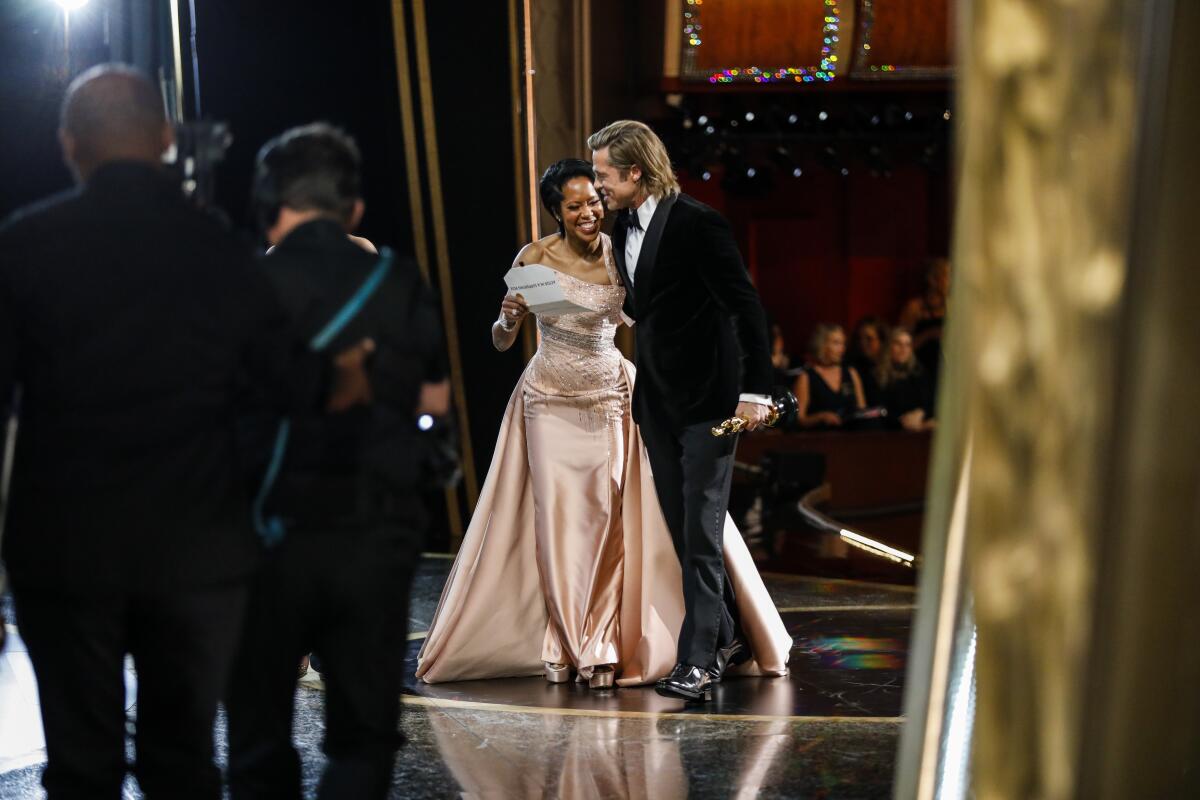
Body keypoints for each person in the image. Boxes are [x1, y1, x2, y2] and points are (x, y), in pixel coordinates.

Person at [0, 65, 369, 798]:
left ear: (69, 144)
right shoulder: (226, 255)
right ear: (167, 140)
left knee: (80, 765)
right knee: (185, 762)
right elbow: (300, 400)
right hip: (199, 555)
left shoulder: (23, 246)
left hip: (65, 551)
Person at [415, 160, 789, 694]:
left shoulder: (623, 254)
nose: (590, 212)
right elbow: (500, 341)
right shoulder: (534, 258)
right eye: (575, 206)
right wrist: (508, 319)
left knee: (611, 520)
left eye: (594, 200)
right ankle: (576, 645)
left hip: (612, 396)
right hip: (547, 401)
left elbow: (657, 319)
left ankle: (615, 639)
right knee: (560, 523)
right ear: (557, 212)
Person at [224, 123, 449, 799]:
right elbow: (433, 407)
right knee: (362, 738)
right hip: (373, 533)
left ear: (267, 204)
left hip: (266, 541)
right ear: (353, 208)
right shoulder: (399, 282)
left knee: (259, 737)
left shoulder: (239, 285)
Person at [589, 120, 780, 702]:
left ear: (634, 172)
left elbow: (746, 309)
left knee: (700, 528)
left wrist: (756, 392)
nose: (597, 185)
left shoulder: (700, 223)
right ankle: (726, 634)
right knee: (681, 528)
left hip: (711, 404)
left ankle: (698, 661)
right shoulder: (622, 227)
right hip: (659, 403)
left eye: (603, 175)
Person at [794, 324, 866, 429]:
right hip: (820, 439)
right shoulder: (806, 377)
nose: (842, 349)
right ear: (821, 345)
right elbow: (798, 420)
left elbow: (862, 409)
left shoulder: (851, 372)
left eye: (843, 344)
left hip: (851, 438)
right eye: (836, 343)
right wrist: (820, 417)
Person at [898, 257, 950, 398]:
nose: (951, 281)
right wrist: (929, 335)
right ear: (933, 280)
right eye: (947, 276)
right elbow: (900, 346)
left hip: (947, 370)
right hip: (921, 370)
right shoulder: (915, 308)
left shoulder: (953, 306)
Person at [876, 327, 936, 432]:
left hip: (921, 427)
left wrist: (922, 413)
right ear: (889, 347)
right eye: (898, 344)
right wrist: (902, 421)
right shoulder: (877, 375)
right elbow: (878, 409)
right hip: (891, 432)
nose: (903, 349)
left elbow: (931, 402)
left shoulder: (919, 373)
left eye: (907, 345)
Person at [848, 316, 888, 407]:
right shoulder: (853, 368)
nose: (863, 343)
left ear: (881, 341)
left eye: (869, 339)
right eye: (859, 338)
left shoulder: (891, 365)